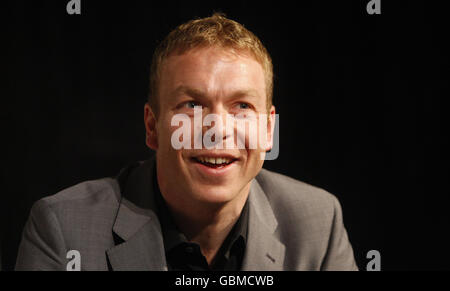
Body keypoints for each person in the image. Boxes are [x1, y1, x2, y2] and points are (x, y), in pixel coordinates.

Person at [15, 13, 358, 271]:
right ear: (152, 126)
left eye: (242, 106)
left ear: (268, 130)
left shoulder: (318, 222)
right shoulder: (63, 228)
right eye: (192, 105)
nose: (217, 129)